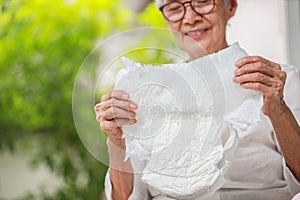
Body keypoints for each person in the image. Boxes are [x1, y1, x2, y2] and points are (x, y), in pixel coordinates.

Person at [94, 0, 300, 199]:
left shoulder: (276, 83)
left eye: (203, 1)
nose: (191, 17)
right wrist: (117, 140)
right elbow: (124, 197)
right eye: (175, 8)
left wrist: (279, 110)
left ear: (231, 6)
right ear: (166, 20)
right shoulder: (148, 93)